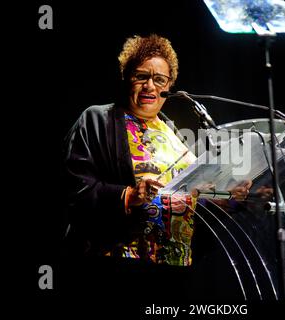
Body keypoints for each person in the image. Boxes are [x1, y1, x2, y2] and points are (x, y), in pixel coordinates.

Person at [62, 34, 251, 298]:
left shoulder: (176, 136)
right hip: (117, 265)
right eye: (141, 76)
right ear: (127, 77)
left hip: (173, 270)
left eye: (159, 80)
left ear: (169, 87)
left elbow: (188, 198)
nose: (150, 86)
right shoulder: (97, 120)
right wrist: (129, 195)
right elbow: (73, 189)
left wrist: (225, 199)